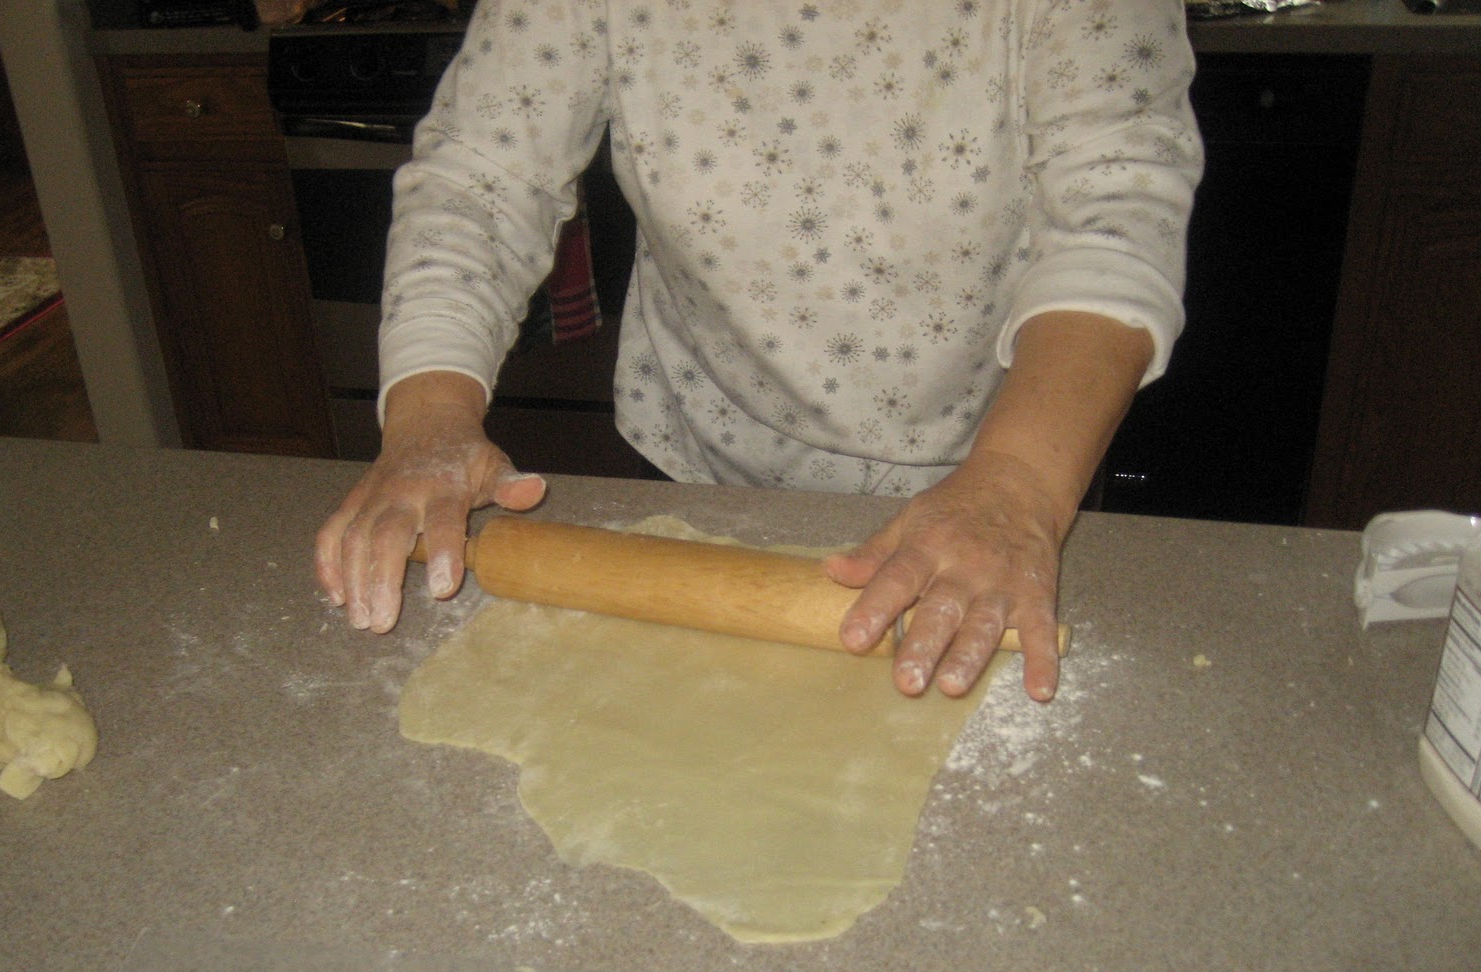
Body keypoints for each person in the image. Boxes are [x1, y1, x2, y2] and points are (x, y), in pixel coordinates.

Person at [315, 0, 1203, 700]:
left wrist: (1016, 483)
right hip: (706, 451)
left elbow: (1116, 215)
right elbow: (482, 181)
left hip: (1000, 471)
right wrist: (429, 416)